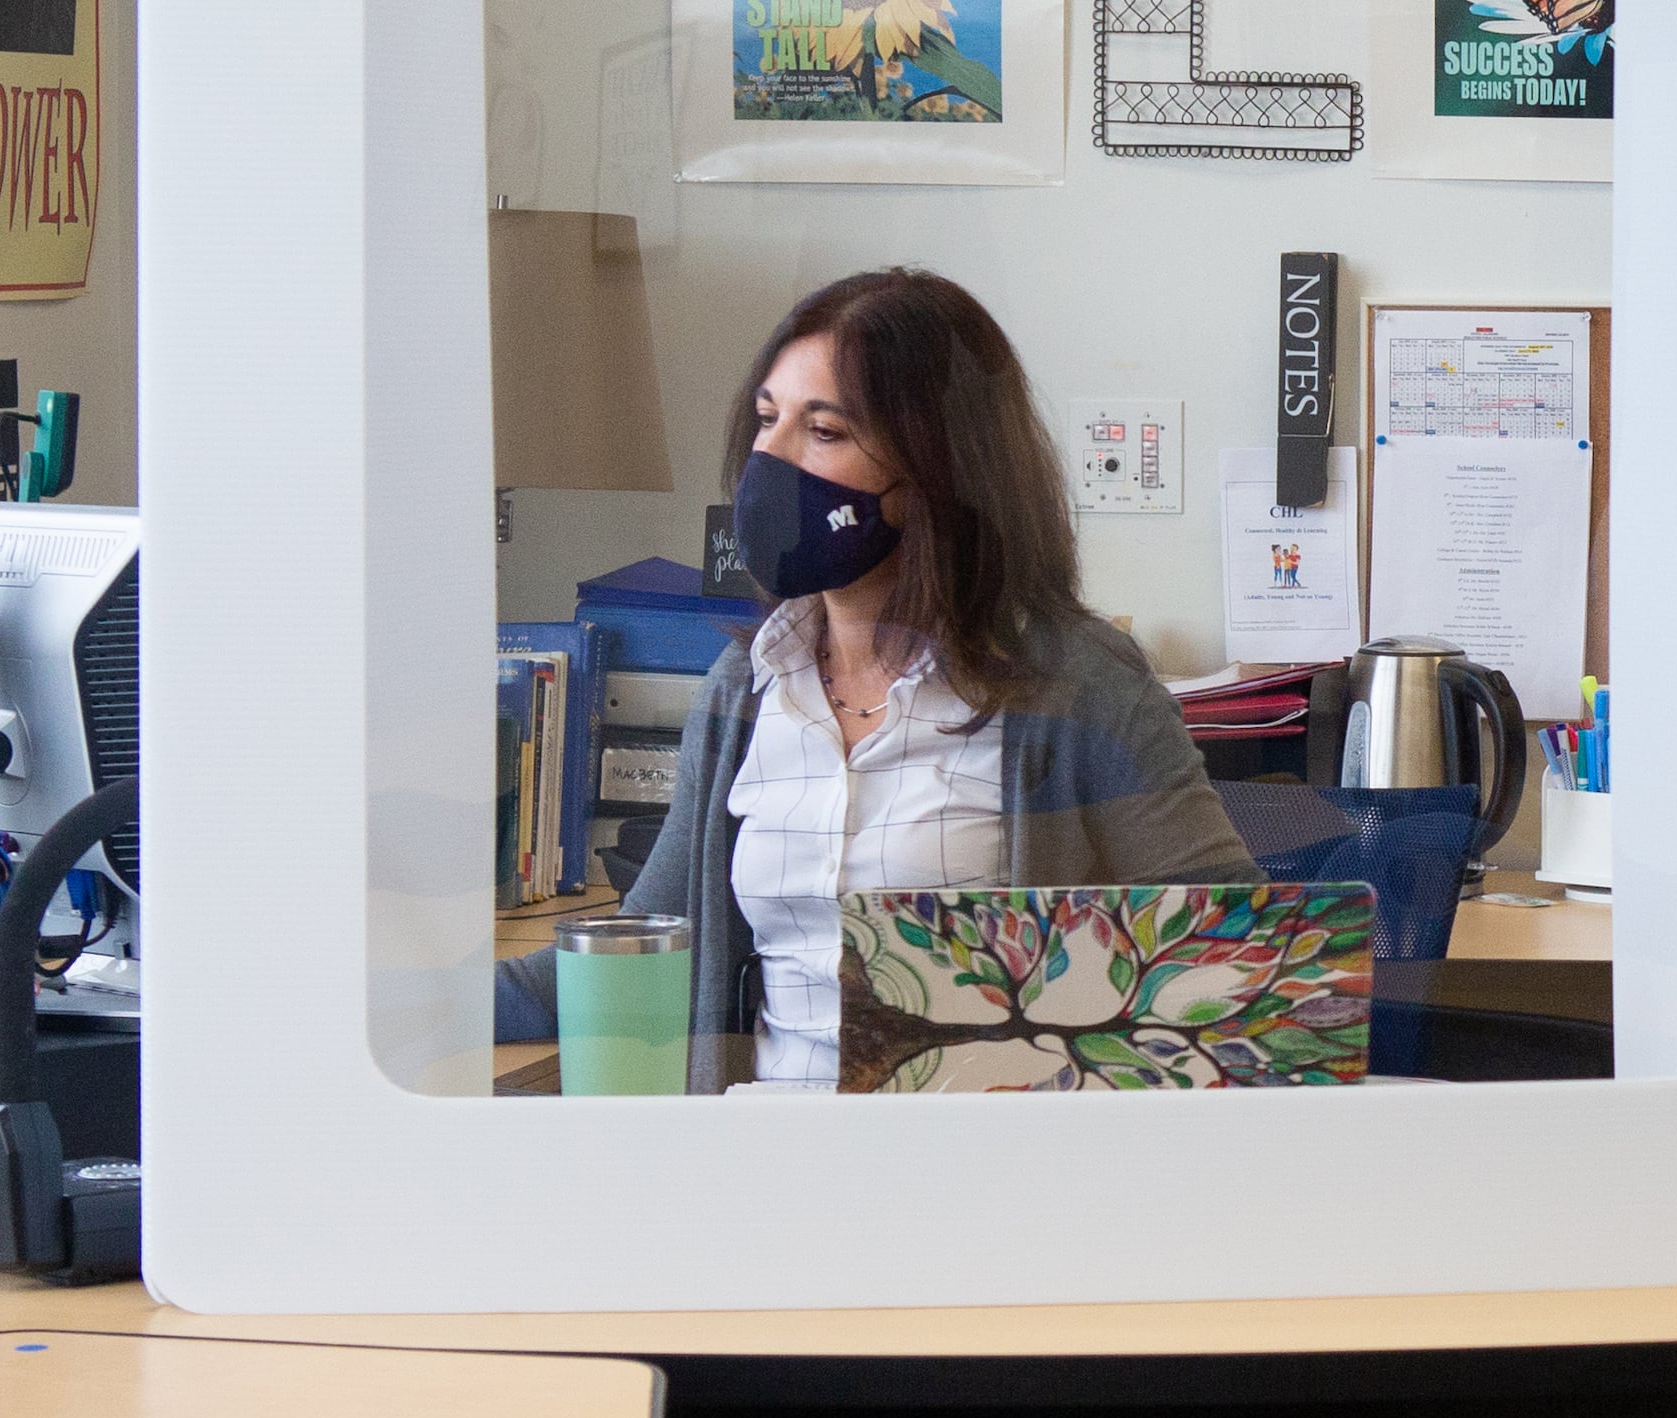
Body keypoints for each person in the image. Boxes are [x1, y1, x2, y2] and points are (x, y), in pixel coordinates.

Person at [502, 268, 1253, 1090]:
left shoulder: (1078, 686)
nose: (771, 458)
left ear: (938, 471)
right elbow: (639, 948)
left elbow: (1236, 970)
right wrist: (389, 999)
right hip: (767, 1169)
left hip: (986, 1180)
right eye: (767, 418)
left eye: (823, 431)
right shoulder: (742, 691)